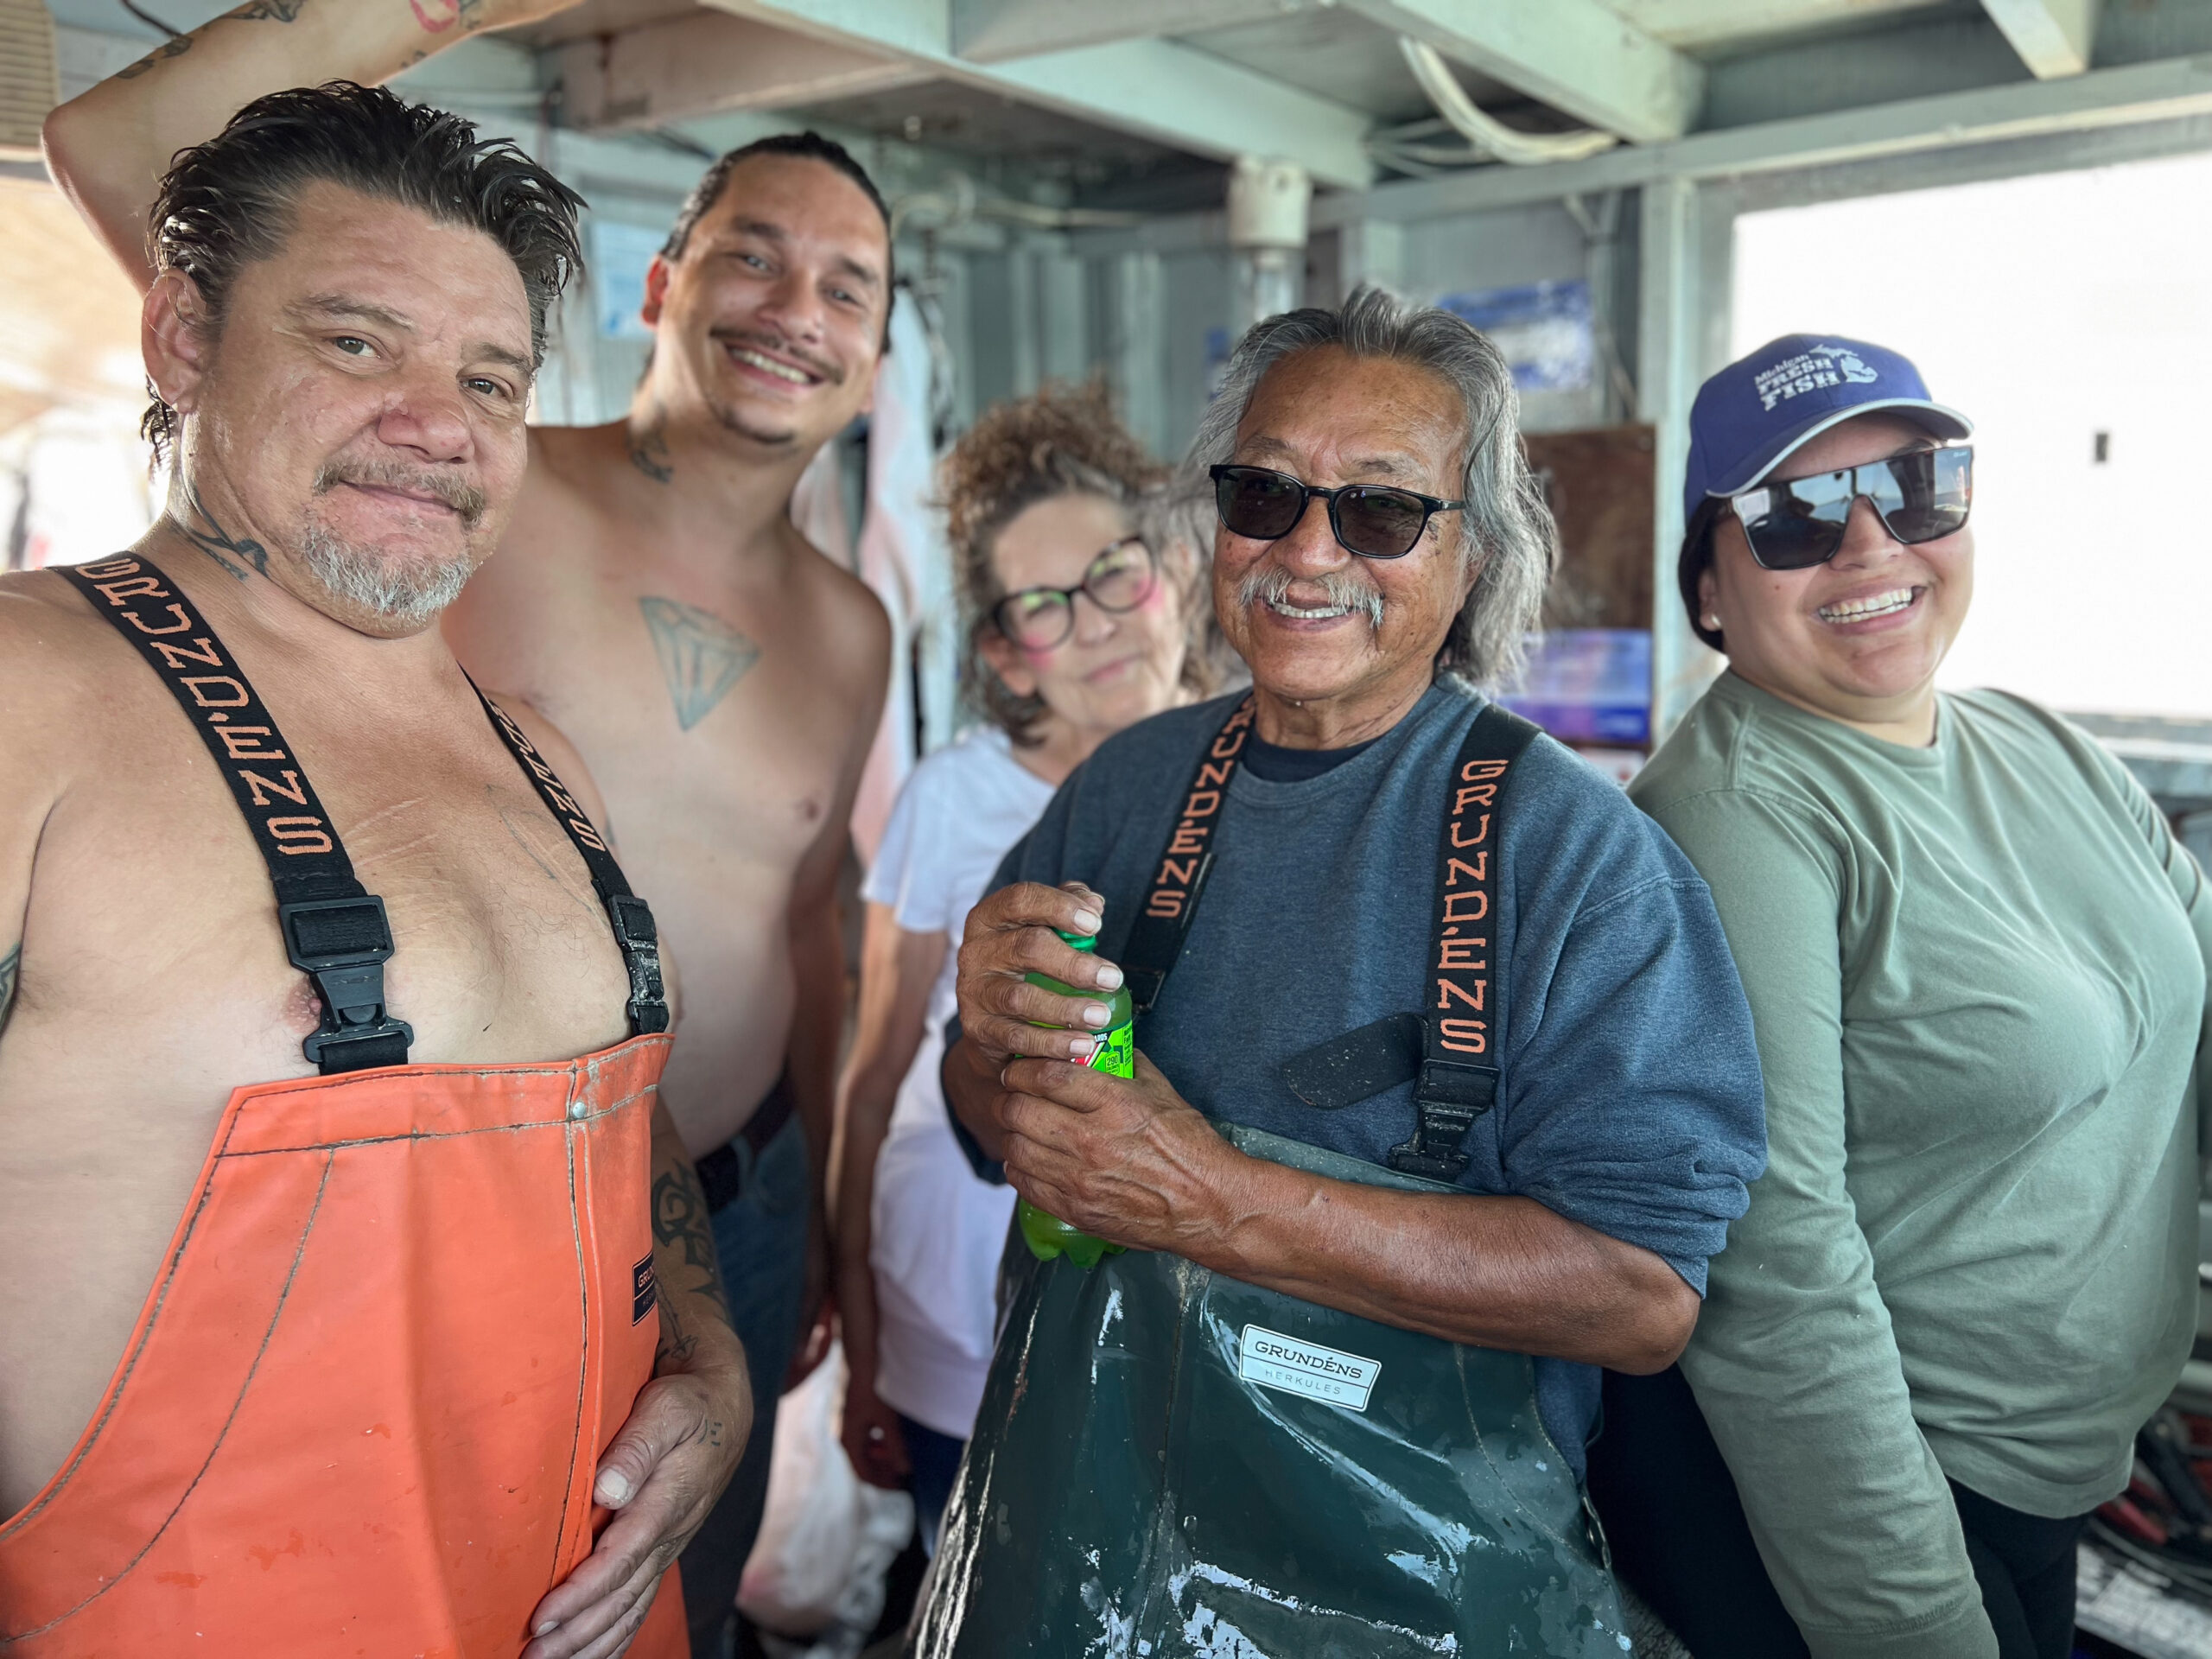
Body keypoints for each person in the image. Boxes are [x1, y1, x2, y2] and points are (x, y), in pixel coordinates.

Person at [44, 7, 894, 1649]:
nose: (796, 310)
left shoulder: (854, 627)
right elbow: (132, 162)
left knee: (660, 1596)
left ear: (877, 350)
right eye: (754, 256)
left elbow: (817, 930)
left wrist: (815, 1258)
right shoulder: (477, 490)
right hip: (384, 1241)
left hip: (717, 1200)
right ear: (664, 283)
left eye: (846, 286)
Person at [907, 288, 1770, 1657]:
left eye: (1380, 510)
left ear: (1473, 556)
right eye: (1265, 494)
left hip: (1419, 1586)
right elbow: (979, 1110)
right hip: (1092, 1534)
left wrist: (1214, 1202)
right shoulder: (1128, 788)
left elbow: (1640, 1295)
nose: (1308, 551)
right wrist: (986, 1035)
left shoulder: (1582, 861)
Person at [1589, 334, 2212, 1659]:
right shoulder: (1738, 817)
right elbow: (1777, 1270)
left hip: (2045, 1474)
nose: (1872, 547)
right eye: (1799, 516)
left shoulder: (2039, 746)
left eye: (1918, 488)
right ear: (1709, 588)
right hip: (1865, 1500)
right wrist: (1915, 1623)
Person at [832, 384, 1212, 1555]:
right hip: (957, 1317)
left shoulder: (1266, 772)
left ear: (1173, 575)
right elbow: (878, 1070)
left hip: (1197, 1328)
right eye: (1044, 607)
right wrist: (857, 1337)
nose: (1095, 625)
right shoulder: (956, 801)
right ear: (1004, 649)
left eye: (1113, 575)